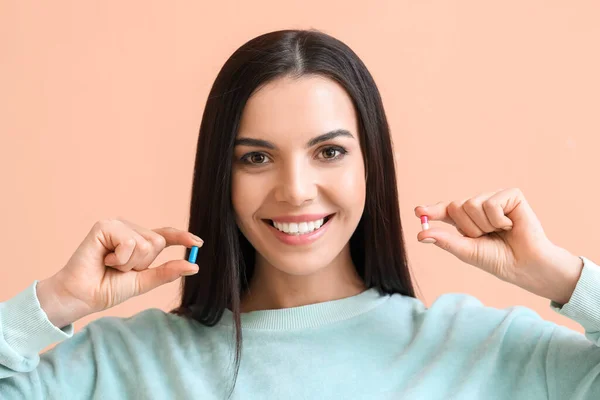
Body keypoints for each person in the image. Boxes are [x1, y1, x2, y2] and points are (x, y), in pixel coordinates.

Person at [1, 29, 599, 400]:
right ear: (221, 176)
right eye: (256, 157)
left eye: (329, 152)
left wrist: (564, 279)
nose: (295, 190)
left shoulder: (482, 350)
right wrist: (53, 303)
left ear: (373, 167)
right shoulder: (124, 364)